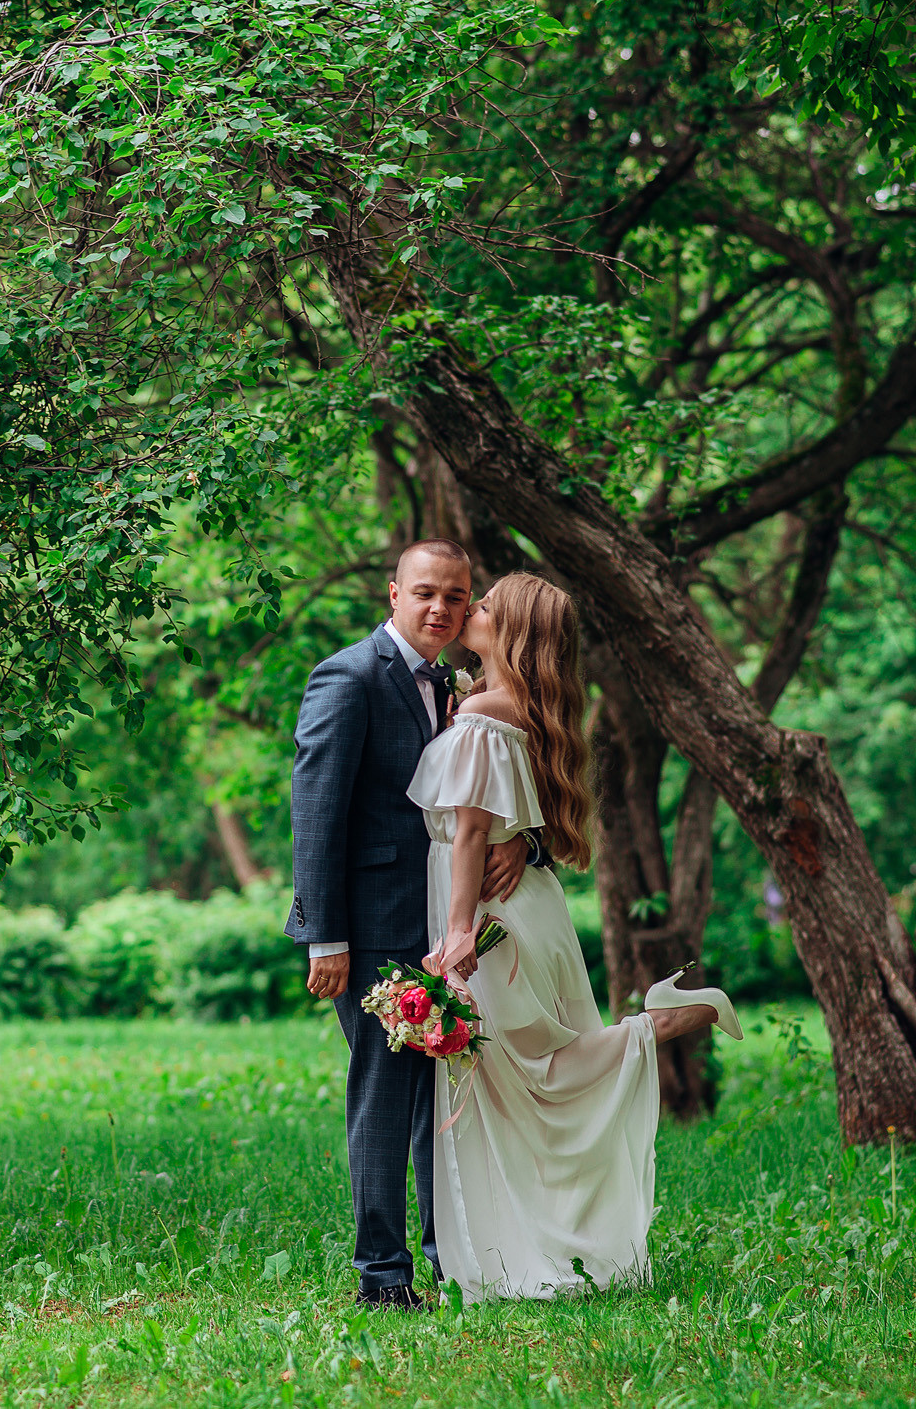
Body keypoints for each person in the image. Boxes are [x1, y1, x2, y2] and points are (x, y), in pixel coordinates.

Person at [415, 572, 742, 1302]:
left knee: (527, 1075)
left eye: (488, 605)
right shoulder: (507, 707)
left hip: (491, 914)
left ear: (515, 632)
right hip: (530, 902)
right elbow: (503, 823)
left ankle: (657, 1023)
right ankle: (530, 1240)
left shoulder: (485, 717)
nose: (473, 608)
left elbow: (470, 832)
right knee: (522, 1074)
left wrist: (459, 931)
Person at [287, 540, 543, 1310]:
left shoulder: (458, 684)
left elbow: (481, 791)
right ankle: (383, 1277)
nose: (441, 608)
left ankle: (452, 1260)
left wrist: (522, 846)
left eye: (457, 597)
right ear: (393, 592)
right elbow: (316, 810)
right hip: (371, 928)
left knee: (443, 1100)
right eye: (426, 592)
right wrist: (325, 935)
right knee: (384, 1095)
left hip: (441, 926)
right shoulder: (350, 676)